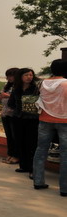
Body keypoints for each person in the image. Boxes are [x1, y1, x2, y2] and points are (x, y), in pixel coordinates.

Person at [32, 59, 67, 196]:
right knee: (65, 153)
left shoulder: (42, 83)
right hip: (64, 120)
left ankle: (38, 181)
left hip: (45, 119)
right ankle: (64, 188)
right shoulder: (65, 83)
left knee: (41, 149)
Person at [8, 68, 40, 176]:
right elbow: (11, 103)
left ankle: (32, 168)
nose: (29, 77)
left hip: (32, 119)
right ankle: (24, 166)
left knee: (32, 143)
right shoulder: (16, 88)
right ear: (20, 77)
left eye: (31, 75)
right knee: (20, 142)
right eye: (26, 75)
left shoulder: (36, 88)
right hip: (18, 118)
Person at [0, 68, 19, 164]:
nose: (9, 78)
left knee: (15, 136)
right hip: (5, 113)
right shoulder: (6, 86)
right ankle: (10, 154)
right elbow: (2, 99)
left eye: (11, 76)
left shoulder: (19, 87)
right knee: (9, 136)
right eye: (8, 76)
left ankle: (16, 156)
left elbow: (20, 98)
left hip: (14, 114)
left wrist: (7, 96)